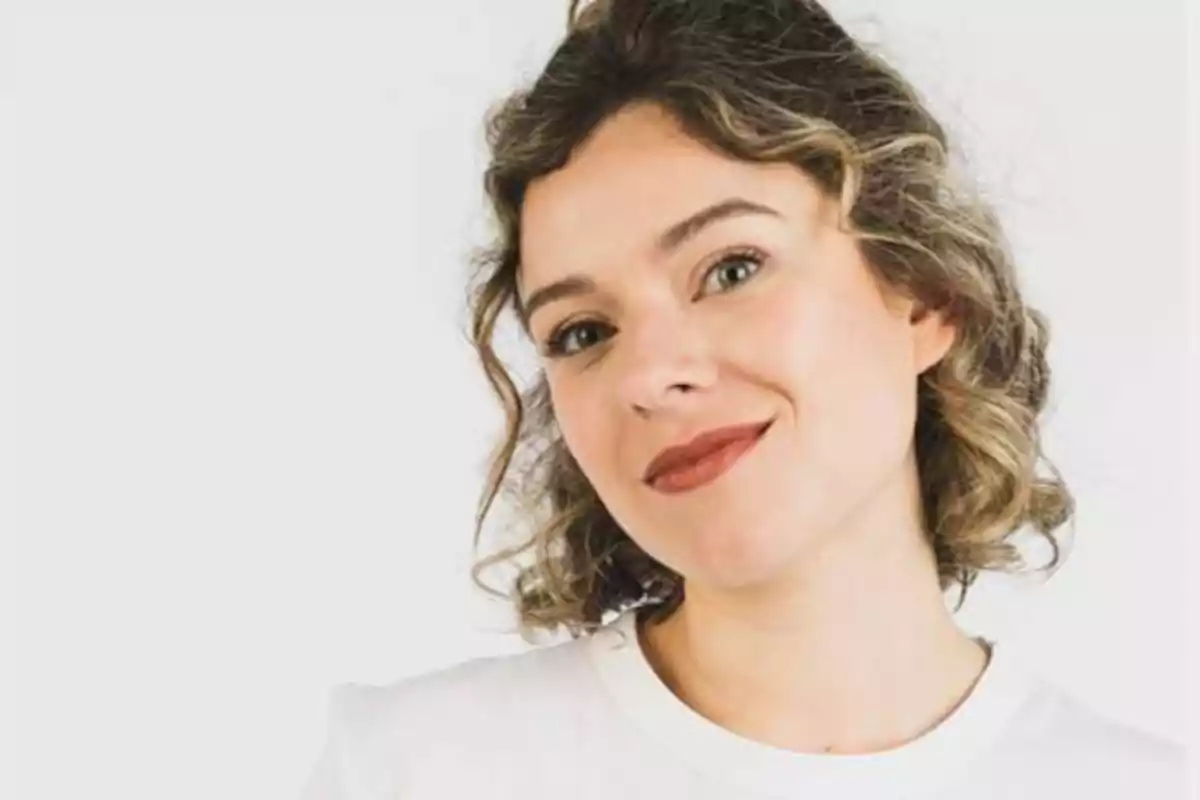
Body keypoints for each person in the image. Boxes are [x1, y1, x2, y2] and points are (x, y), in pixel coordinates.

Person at [300, 1, 1188, 797]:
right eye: (582, 332)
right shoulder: (416, 771)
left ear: (925, 293)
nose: (649, 375)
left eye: (730, 269)